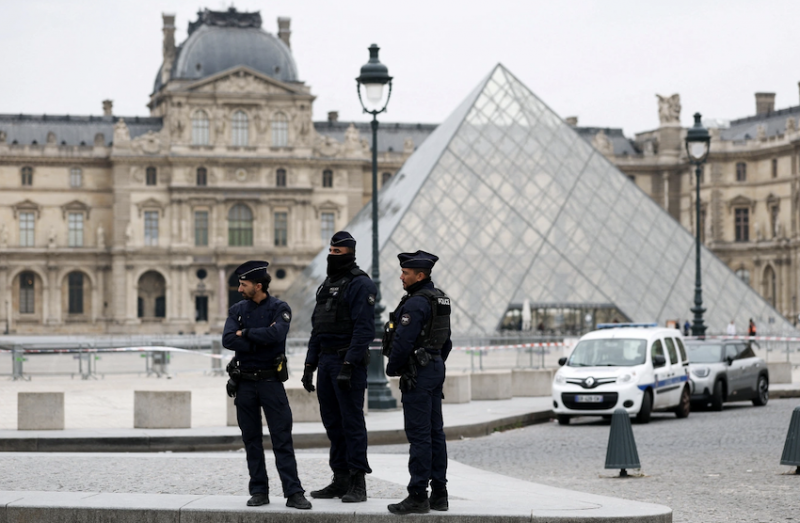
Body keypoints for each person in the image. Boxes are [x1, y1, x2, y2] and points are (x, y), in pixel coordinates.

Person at [222, 260, 311, 510]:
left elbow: (276, 336)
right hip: (245, 383)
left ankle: (293, 492)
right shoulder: (237, 309)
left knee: (282, 439)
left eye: (244, 284)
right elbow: (228, 339)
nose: (239, 289)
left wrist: (246, 333)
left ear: (258, 285)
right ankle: (259, 490)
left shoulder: (279, 307)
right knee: (251, 440)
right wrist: (257, 336)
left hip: (271, 381)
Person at [302, 231, 376, 503]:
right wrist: (310, 364)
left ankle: (358, 482)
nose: (332, 257)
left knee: (352, 423)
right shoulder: (326, 285)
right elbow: (318, 327)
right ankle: (340, 477)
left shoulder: (360, 284)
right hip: (326, 361)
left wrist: (348, 364)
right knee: (333, 423)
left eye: (337, 253)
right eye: (330, 252)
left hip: (347, 362)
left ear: (350, 254)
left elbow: (364, 330)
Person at [384, 250, 452, 515]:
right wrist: (434, 361)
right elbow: (447, 340)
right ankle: (440, 495)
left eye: (406, 273)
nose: (401, 277)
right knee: (436, 433)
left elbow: (402, 342)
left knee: (420, 436)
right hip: (434, 367)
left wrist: (394, 368)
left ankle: (417, 496)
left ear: (420, 275)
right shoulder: (440, 299)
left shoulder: (415, 303)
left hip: (418, 373)